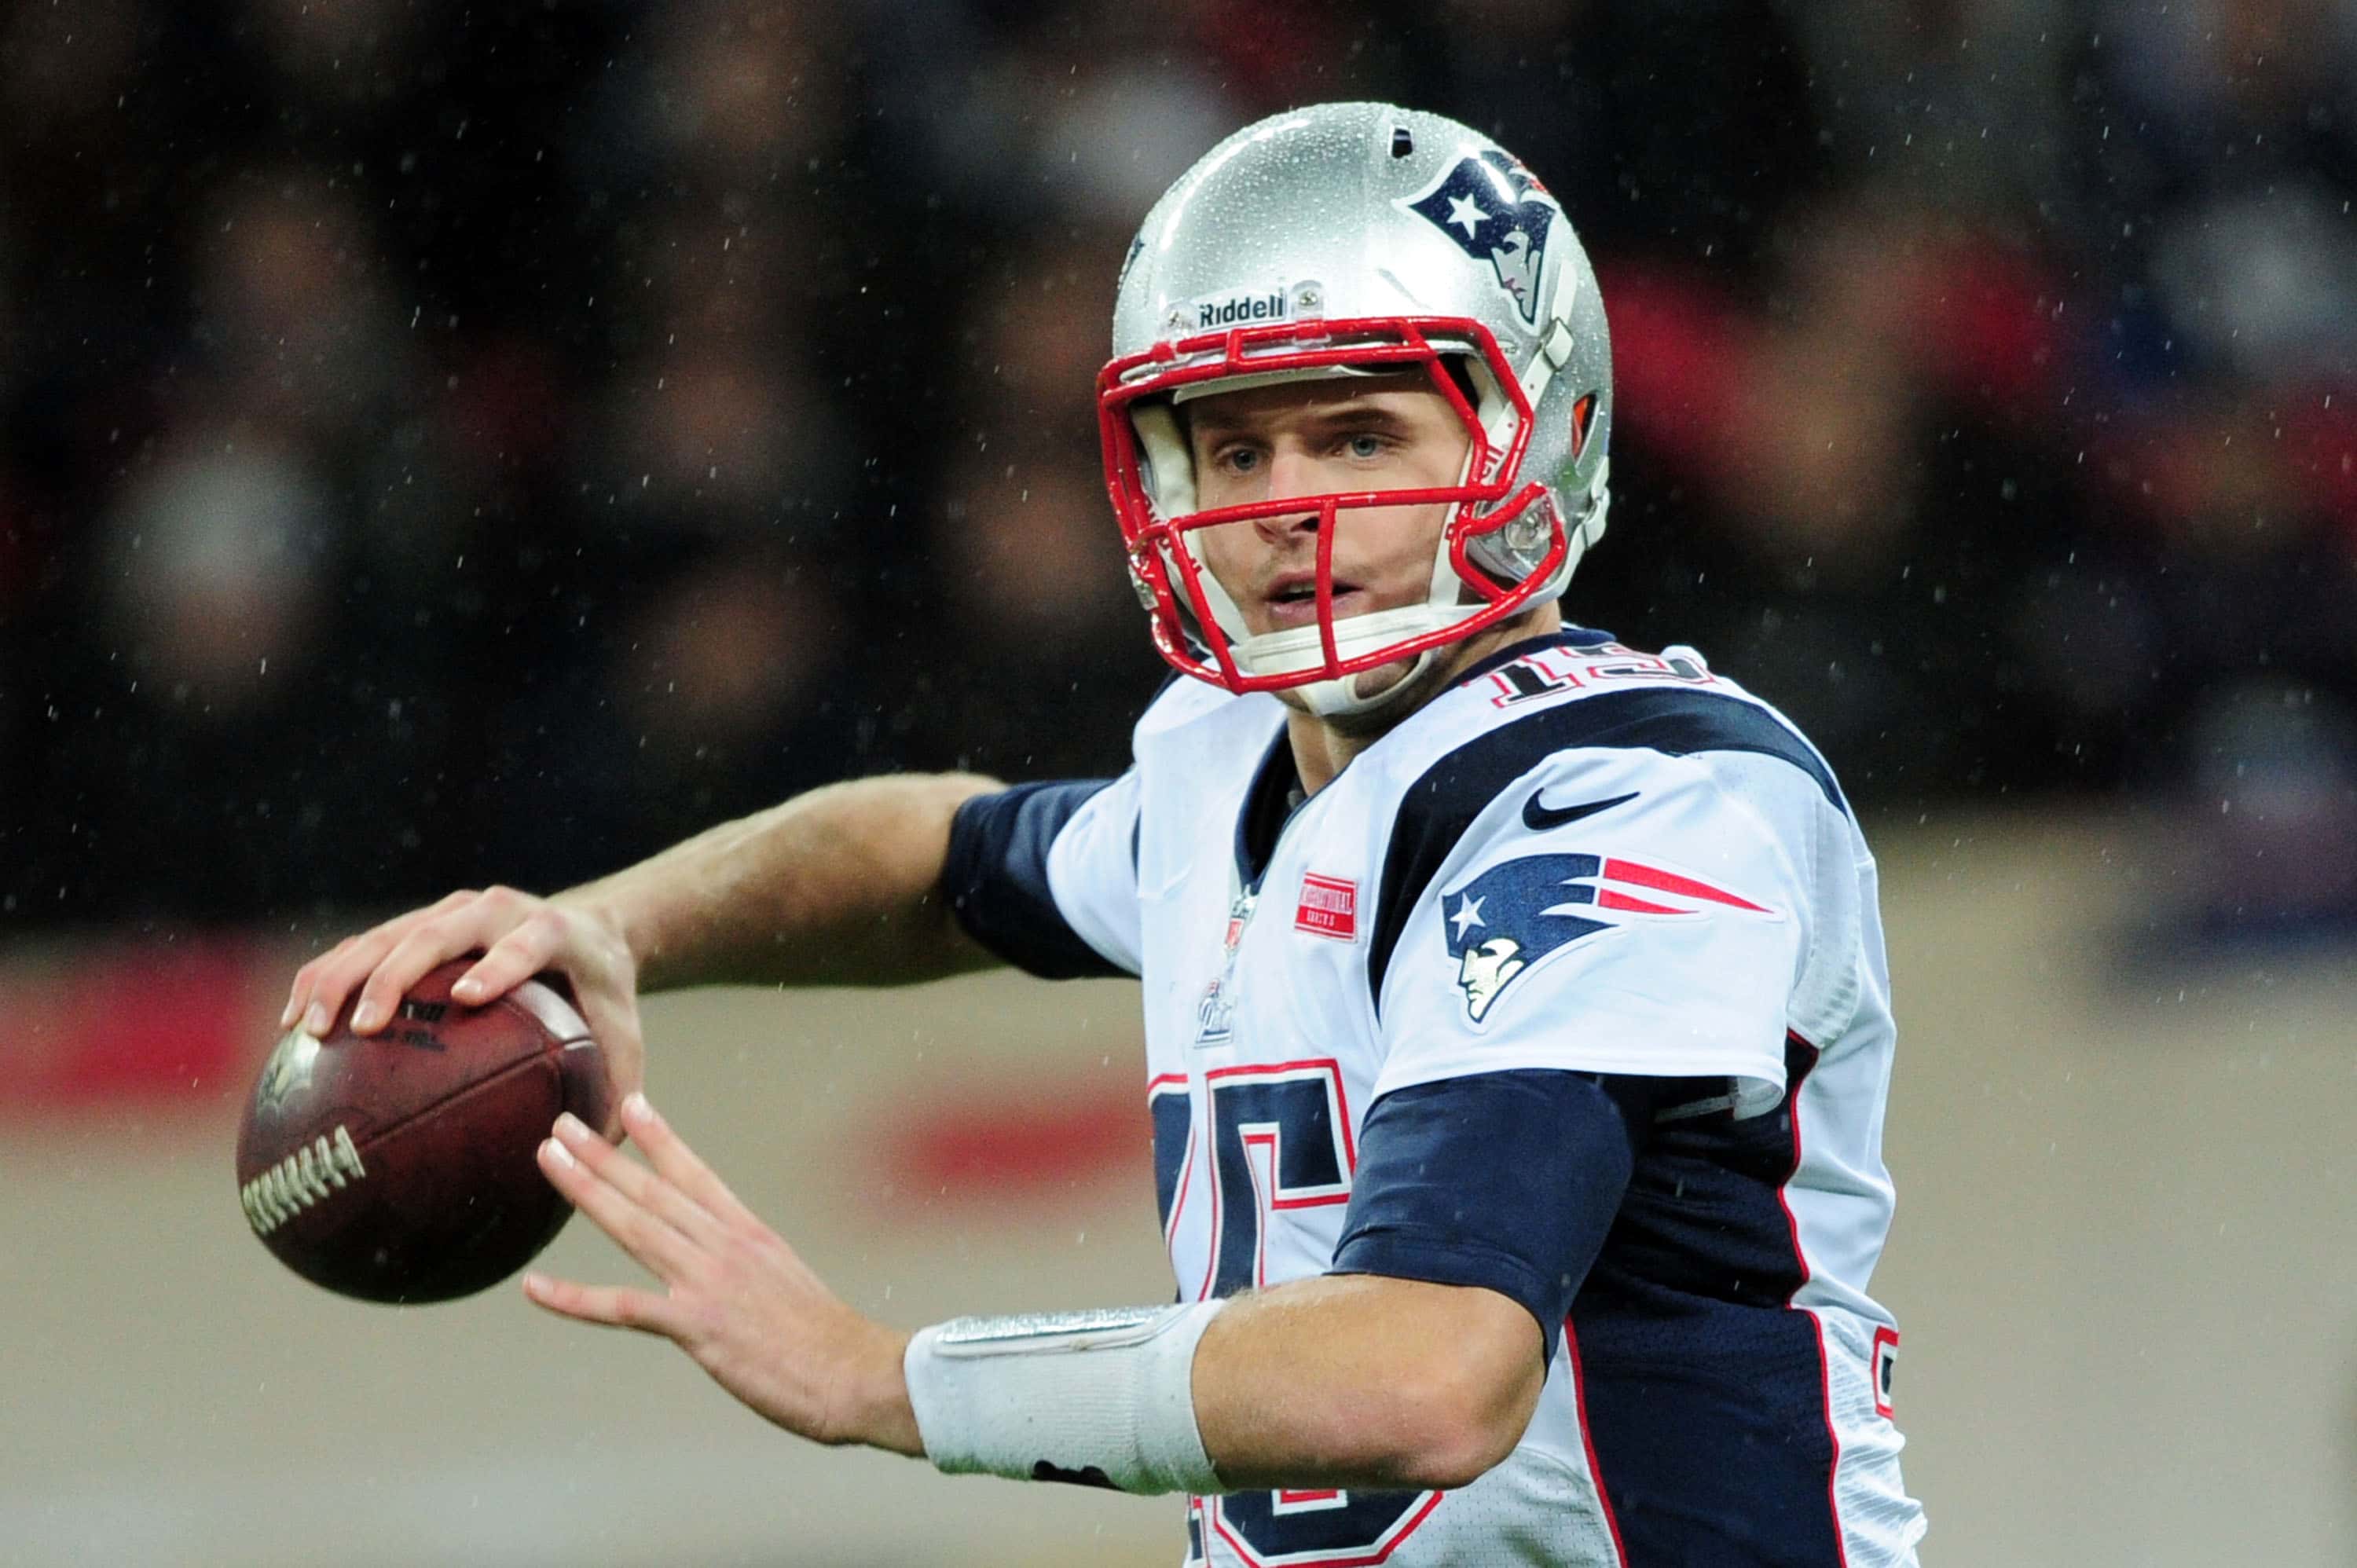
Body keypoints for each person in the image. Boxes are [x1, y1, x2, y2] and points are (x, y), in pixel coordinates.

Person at [283, 103, 1926, 1566]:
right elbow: (937, 857)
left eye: (1360, 433)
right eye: (1236, 444)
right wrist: (617, 922)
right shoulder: (1232, 771)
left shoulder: (1638, 791)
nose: (1286, 502)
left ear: (1539, 435)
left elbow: (1426, 1374)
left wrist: (881, 1374)